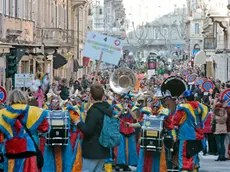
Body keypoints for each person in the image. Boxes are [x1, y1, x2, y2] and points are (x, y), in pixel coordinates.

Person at [0, 89, 49, 171]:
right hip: (29, 151)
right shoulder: (34, 111)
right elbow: (45, 128)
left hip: (10, 152)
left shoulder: (2, 114)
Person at [76, 84, 113, 172]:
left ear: (91, 97)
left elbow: (88, 130)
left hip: (92, 148)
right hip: (103, 147)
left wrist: (79, 123)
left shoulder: (94, 110)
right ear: (103, 97)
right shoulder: (107, 108)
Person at [171, 90, 208, 171]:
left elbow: (175, 121)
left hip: (185, 135)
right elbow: (203, 119)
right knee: (194, 154)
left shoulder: (183, 108)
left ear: (185, 99)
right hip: (197, 135)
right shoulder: (200, 107)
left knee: (184, 155)